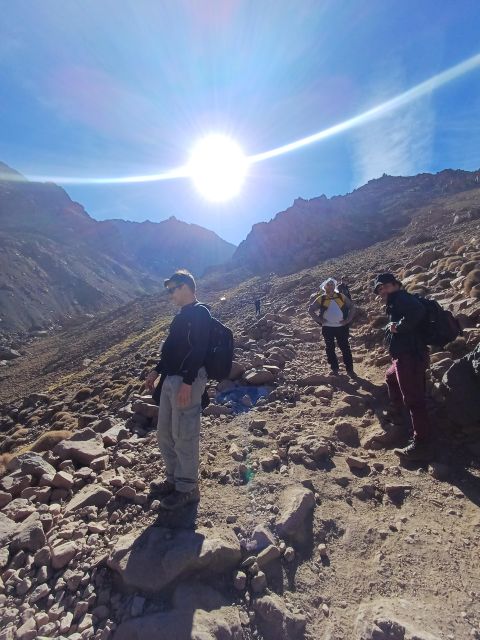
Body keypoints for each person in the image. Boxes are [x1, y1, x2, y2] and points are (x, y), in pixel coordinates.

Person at [145, 270, 210, 510]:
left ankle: (187, 488)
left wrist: (188, 381)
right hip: (170, 380)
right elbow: (172, 351)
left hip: (186, 381)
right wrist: (156, 370)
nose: (170, 294)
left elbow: (200, 349)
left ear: (185, 287)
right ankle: (172, 480)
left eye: (172, 289)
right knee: (166, 433)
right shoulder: (181, 316)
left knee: (184, 434)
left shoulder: (201, 313)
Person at [373, 273, 431, 460]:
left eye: (385, 286)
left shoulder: (402, 298)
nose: (382, 291)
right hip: (404, 355)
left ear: (395, 284)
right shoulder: (395, 301)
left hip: (410, 356)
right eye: (379, 289)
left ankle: (422, 444)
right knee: (391, 377)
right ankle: (399, 410)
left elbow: (418, 311)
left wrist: (398, 326)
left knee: (414, 399)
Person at [308, 278, 356, 376]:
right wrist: (319, 320)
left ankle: (350, 370)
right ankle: (334, 369)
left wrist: (347, 320)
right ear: (324, 287)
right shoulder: (322, 298)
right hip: (327, 327)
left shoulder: (340, 296)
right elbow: (311, 310)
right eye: (328, 284)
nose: (331, 286)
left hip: (341, 327)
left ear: (334, 286)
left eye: (332, 284)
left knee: (345, 348)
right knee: (330, 348)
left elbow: (352, 307)